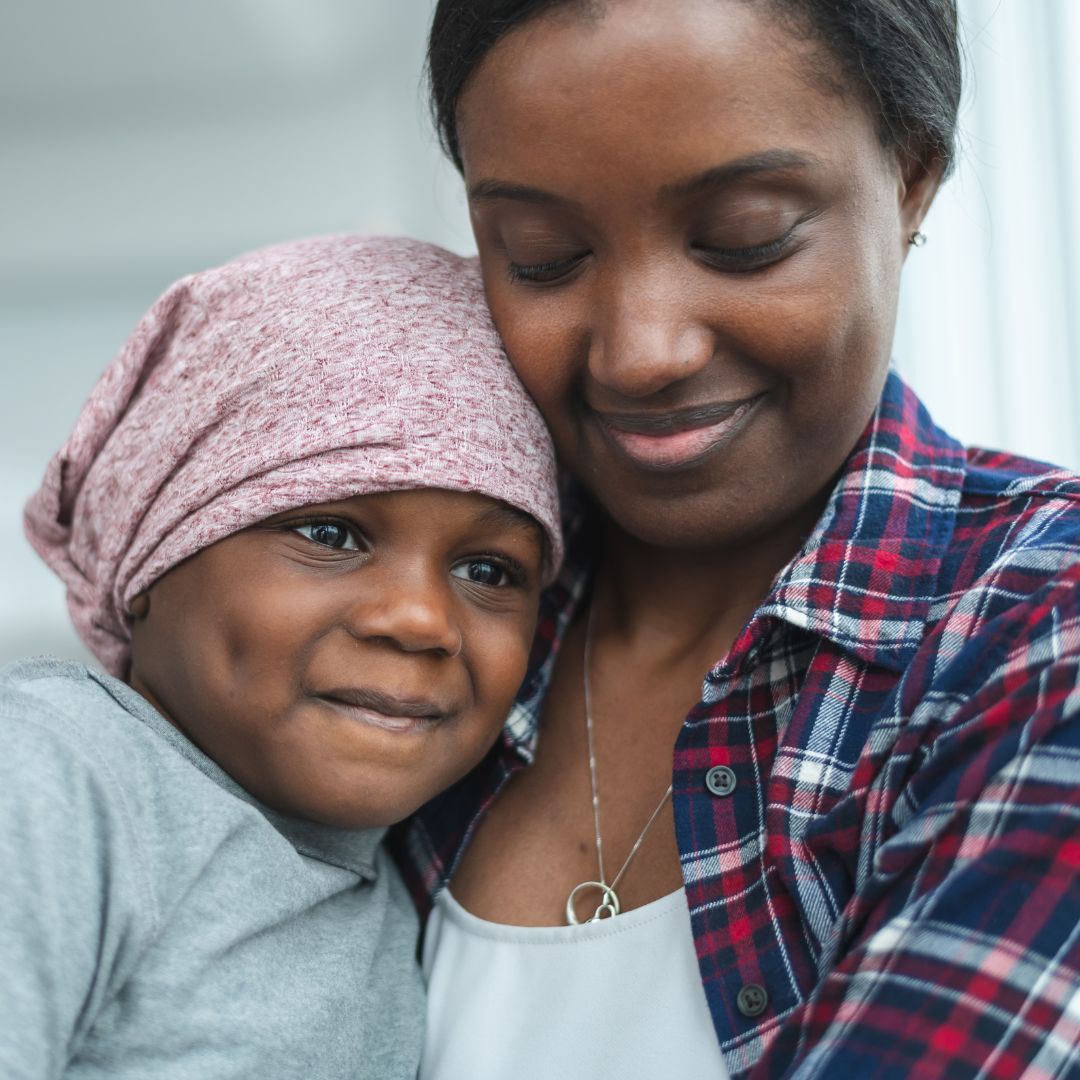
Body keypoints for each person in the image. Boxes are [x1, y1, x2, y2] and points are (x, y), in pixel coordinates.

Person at [394, 2, 1080, 1077]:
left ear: (912, 177)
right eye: (542, 258)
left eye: (746, 237)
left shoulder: (1038, 619)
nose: (640, 351)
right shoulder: (409, 624)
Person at [4, 234, 561, 1079]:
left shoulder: (408, 882)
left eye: (489, 572)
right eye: (330, 533)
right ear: (150, 556)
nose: (420, 620)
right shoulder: (57, 775)